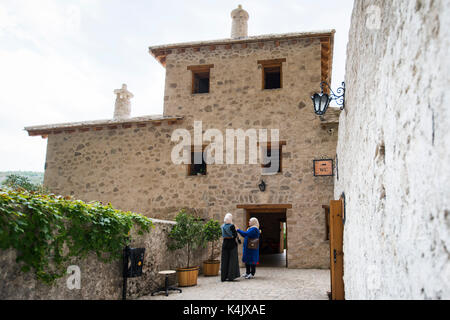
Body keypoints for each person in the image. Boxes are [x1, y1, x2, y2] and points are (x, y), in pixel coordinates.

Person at [220, 213, 240, 282]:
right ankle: (231, 276)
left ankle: (223, 277)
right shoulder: (232, 226)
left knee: (224, 260)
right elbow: (235, 235)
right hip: (232, 243)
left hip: (225, 243)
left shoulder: (222, 226)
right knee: (232, 260)